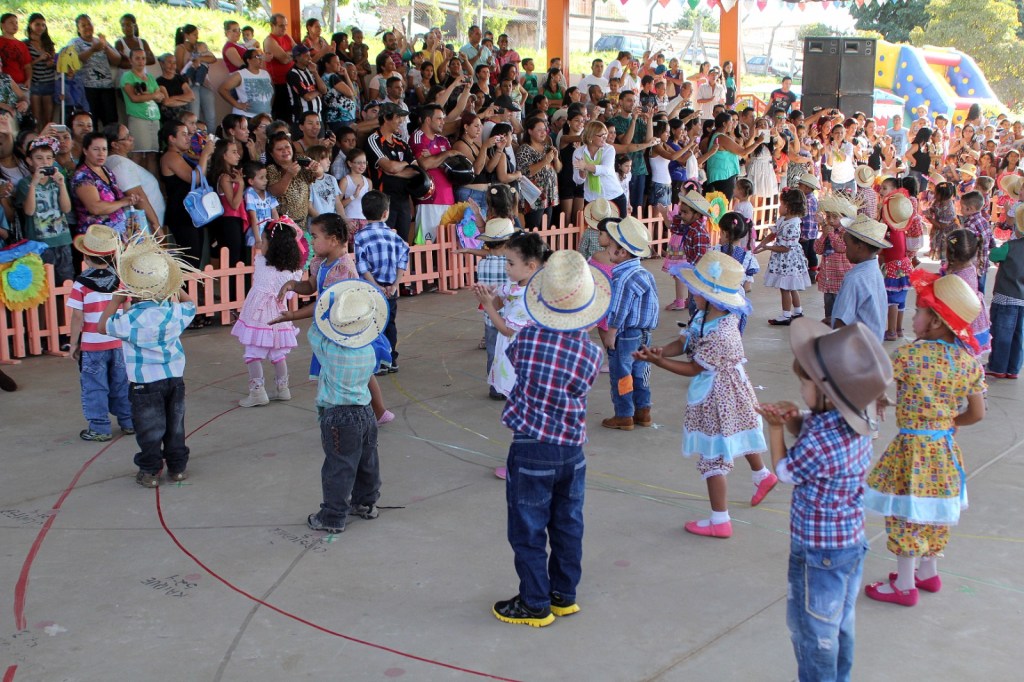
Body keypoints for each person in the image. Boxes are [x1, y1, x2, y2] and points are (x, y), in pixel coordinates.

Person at [757, 320, 892, 680]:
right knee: (840, 623)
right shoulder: (856, 417)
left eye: (805, 382)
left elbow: (785, 471)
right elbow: (816, 425)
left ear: (827, 393)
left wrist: (773, 429)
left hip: (819, 553)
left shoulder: (820, 442)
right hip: (849, 543)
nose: (800, 388)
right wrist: (793, 418)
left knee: (812, 632)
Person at [491, 249, 607, 627]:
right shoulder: (590, 354)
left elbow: (516, 361)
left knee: (527, 528)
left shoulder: (526, 341)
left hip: (531, 446)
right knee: (568, 523)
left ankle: (535, 602)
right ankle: (563, 594)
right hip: (572, 449)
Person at [863, 272, 986, 606]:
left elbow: (877, 381)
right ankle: (927, 573)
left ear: (935, 322)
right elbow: (977, 413)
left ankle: (904, 584)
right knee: (933, 512)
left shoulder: (908, 355)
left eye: (918, 312)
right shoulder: (967, 362)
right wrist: (950, 422)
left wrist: (879, 400)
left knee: (905, 513)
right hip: (943, 449)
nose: (912, 317)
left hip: (911, 449)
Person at [637, 252, 774, 539]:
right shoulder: (705, 316)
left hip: (718, 394)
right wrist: (660, 351)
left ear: (711, 298)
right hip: (728, 388)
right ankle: (763, 475)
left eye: (696, 291)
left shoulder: (722, 333)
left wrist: (658, 362)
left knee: (713, 455)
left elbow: (694, 367)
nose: (691, 295)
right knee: (740, 430)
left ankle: (719, 520)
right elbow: (684, 341)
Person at [98, 237, 198, 488]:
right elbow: (190, 306)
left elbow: (102, 326)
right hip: (174, 378)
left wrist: (115, 301)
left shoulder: (129, 321)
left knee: (149, 429)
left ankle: (151, 471)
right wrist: (176, 286)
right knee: (175, 425)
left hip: (144, 383)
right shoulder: (173, 313)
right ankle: (177, 468)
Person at [304, 276, 387, 535]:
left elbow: (314, 331)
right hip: (365, 412)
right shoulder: (368, 351)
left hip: (339, 415)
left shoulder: (329, 348)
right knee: (367, 460)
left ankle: (333, 515)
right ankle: (366, 502)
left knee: (339, 466)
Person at [67, 225, 133, 442]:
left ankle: (99, 427)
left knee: (95, 386)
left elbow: (78, 317)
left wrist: (74, 343)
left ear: (85, 255)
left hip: (92, 345)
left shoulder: (81, 283)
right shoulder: (120, 280)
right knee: (121, 383)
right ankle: (129, 421)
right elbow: (127, 310)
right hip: (117, 343)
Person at [474, 227, 547, 417]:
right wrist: (489, 295)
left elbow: (507, 330)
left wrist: (487, 305)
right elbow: (501, 300)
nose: (506, 267)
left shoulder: (530, 296)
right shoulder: (516, 283)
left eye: (510, 263)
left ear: (530, 266)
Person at [231, 219, 303, 407]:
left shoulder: (260, 261)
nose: (260, 244)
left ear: (272, 245)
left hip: (258, 316)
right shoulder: (294, 271)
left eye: (263, 240)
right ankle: (283, 389)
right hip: (279, 316)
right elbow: (290, 294)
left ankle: (257, 392)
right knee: (278, 353)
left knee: (253, 352)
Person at [600, 216, 658, 431]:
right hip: (644, 333)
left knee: (622, 373)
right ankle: (643, 411)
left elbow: (619, 308)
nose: (608, 249)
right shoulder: (643, 272)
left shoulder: (623, 277)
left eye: (612, 246)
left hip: (626, 334)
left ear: (622, 252)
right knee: (641, 371)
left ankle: (624, 415)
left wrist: (611, 332)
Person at [355, 191, 409, 375]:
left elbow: (362, 266)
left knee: (372, 324)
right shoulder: (395, 237)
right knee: (389, 323)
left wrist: (375, 285)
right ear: (386, 213)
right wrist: (395, 284)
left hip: (371, 288)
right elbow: (403, 259)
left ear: (363, 213)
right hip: (390, 287)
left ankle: (378, 362)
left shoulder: (360, 237)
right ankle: (392, 360)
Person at [14, 137, 73, 285]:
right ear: (29, 161)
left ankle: (64, 309)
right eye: (39, 158)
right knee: (43, 286)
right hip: (39, 243)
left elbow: (66, 208)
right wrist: (33, 185)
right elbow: (29, 211)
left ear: (53, 160)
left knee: (66, 282)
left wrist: (61, 185)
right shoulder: (25, 183)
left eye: (48, 158)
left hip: (62, 239)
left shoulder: (58, 180)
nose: (44, 162)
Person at [160, 121, 212, 270]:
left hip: (191, 212)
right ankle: (186, 292)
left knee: (196, 257)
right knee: (190, 258)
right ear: (171, 138)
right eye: (183, 134)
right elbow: (195, 178)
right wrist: (205, 154)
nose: (188, 138)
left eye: (189, 134)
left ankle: (192, 291)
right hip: (181, 213)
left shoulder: (182, 156)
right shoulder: (170, 156)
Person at [831, 215, 891, 340]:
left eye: (847, 245)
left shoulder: (854, 278)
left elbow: (841, 324)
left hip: (855, 348)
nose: (845, 250)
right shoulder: (875, 271)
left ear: (859, 247)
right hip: (872, 344)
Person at [364, 104, 417, 242]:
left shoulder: (402, 142)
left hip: (404, 200)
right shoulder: (373, 139)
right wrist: (404, 164)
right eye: (398, 117)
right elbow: (389, 166)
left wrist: (395, 170)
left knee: (403, 244)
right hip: (383, 201)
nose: (401, 121)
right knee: (384, 243)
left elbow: (415, 170)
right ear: (386, 118)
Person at [760, 188, 811, 326]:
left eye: (781, 204)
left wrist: (767, 247)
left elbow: (785, 248)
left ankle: (786, 314)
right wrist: (761, 245)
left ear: (788, 207)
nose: (779, 207)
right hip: (785, 259)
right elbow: (773, 234)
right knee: (791, 286)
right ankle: (798, 311)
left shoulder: (793, 225)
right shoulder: (783, 219)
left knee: (785, 288)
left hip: (788, 260)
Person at [72, 131, 136, 238]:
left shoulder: (106, 171)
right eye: (96, 149)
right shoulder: (83, 176)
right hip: (97, 238)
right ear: (85, 151)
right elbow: (95, 207)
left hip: (117, 235)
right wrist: (122, 202)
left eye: (104, 149)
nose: (101, 153)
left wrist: (129, 200)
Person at [987, 205, 1024, 378]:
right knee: (1018, 336)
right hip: (1022, 300)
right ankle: (1013, 368)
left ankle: (998, 366)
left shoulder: (1010, 246)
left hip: (1005, 297)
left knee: (1002, 334)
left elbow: (993, 255)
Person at [410, 104, 457, 243]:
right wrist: (446, 154)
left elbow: (451, 166)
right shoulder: (417, 137)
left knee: (448, 245)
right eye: (439, 119)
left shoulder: (443, 140)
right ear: (428, 120)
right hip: (428, 199)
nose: (443, 122)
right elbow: (425, 164)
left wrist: (435, 157)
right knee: (425, 244)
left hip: (448, 198)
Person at [664, 190, 713, 315]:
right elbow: (675, 229)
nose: (682, 215)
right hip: (694, 273)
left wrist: (691, 274)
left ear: (697, 215)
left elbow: (700, 259)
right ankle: (693, 325)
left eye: (685, 212)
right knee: (693, 302)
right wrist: (678, 216)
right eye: (681, 212)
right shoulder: (689, 226)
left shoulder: (698, 232)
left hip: (699, 274)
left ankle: (695, 326)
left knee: (696, 304)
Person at [68, 14, 121, 126]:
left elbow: (117, 60)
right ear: (78, 29)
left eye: (89, 24)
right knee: (92, 121)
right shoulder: (74, 42)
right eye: (83, 25)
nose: (87, 27)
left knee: (111, 121)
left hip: (106, 87)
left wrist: (105, 47)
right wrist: (92, 49)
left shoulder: (99, 41)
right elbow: (75, 60)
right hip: (87, 88)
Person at [945, 230, 992, 356]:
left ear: (949, 252)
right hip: (973, 318)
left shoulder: (955, 279)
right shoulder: (971, 268)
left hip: (963, 324)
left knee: (961, 355)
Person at [814, 194, 857, 326]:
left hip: (840, 276)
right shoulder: (828, 232)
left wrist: (831, 234)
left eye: (835, 217)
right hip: (828, 276)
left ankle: (839, 324)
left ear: (843, 217)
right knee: (829, 303)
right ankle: (829, 321)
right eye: (828, 217)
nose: (831, 220)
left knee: (841, 303)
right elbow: (818, 249)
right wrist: (824, 236)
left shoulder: (846, 233)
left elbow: (841, 247)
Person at [879, 192, 917, 340]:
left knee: (891, 301)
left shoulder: (887, 232)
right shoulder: (901, 230)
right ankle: (899, 329)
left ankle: (891, 331)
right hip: (904, 267)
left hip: (893, 268)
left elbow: (882, 252)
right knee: (901, 299)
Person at [119, 49, 163, 176]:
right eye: (137, 58)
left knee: (152, 155)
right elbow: (134, 98)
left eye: (143, 58)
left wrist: (146, 94)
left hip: (154, 118)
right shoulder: (127, 76)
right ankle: (134, 184)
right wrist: (152, 95)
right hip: (139, 118)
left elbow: (160, 96)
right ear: (130, 60)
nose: (141, 61)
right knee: (137, 153)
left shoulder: (149, 77)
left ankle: (152, 186)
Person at [714, 212, 759, 333]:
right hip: (737, 296)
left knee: (716, 325)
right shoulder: (747, 257)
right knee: (734, 327)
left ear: (724, 233)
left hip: (715, 293)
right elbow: (747, 286)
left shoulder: (715, 251)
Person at [266, 132, 319, 230]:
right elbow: (275, 192)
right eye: (279, 149)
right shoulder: (271, 169)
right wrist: (289, 175)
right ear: (271, 153)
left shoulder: (301, 160)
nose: (285, 151)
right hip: (284, 225)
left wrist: (316, 168)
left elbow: (319, 172)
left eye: (287, 147)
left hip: (303, 222)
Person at [174, 25, 216, 129]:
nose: (197, 37)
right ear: (186, 36)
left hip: (204, 83)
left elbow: (213, 59)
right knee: (194, 114)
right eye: (194, 35)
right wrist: (191, 65)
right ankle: (193, 142)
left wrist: (199, 59)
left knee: (211, 115)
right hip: (190, 84)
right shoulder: (181, 48)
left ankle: (211, 139)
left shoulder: (199, 46)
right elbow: (179, 69)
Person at [218, 49, 273, 119]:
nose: (260, 59)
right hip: (246, 117)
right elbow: (222, 89)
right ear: (248, 60)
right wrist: (238, 105)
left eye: (261, 56)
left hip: (265, 116)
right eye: (257, 57)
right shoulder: (240, 74)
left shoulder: (265, 74)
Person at [23, 13, 56, 129]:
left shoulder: (48, 43)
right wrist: (39, 59)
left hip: (49, 82)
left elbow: (55, 61)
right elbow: (24, 65)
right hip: (35, 83)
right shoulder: (25, 44)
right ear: (30, 25)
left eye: (43, 25)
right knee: (36, 118)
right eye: (37, 24)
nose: (40, 28)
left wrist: (51, 63)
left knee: (48, 118)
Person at [264, 13, 296, 123]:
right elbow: (284, 59)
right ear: (272, 25)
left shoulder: (287, 36)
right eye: (281, 25)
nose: (284, 28)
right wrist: (291, 54)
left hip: (292, 80)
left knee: (293, 112)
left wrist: (289, 53)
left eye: (285, 25)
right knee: (282, 115)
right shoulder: (270, 40)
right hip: (279, 83)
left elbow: (299, 53)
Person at [287, 45, 326, 123]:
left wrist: (315, 72)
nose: (310, 58)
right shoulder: (293, 74)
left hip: (318, 118)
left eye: (310, 55)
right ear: (297, 57)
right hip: (303, 119)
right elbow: (307, 96)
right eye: (306, 56)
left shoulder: (310, 71)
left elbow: (324, 90)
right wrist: (318, 92)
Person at [155, 52, 195, 126]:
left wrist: (174, 98)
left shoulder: (179, 78)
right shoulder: (159, 81)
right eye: (169, 62)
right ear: (162, 64)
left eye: (174, 63)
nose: (172, 66)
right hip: (169, 119)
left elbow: (191, 96)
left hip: (183, 118)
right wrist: (185, 100)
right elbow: (167, 102)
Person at [306, 144, 343, 221]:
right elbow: (309, 207)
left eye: (329, 158)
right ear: (314, 161)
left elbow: (337, 202)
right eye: (324, 158)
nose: (329, 161)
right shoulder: (308, 182)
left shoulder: (332, 178)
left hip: (333, 222)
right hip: (317, 224)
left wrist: (344, 219)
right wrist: (323, 222)